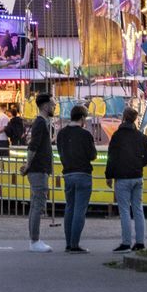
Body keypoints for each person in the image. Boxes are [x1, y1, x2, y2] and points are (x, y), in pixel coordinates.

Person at [105, 105, 147, 252]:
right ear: (134, 120)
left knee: (125, 211)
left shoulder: (117, 136)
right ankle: (140, 242)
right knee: (138, 209)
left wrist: (109, 176)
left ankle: (126, 243)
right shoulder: (141, 136)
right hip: (137, 177)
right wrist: (139, 164)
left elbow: (111, 157)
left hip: (122, 178)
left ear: (123, 118)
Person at [56, 103, 97, 253]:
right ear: (82, 118)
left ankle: (68, 243)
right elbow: (92, 155)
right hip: (83, 174)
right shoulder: (85, 134)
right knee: (80, 210)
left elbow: (60, 152)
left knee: (69, 208)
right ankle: (74, 244)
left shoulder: (61, 133)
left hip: (68, 173)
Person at [22, 92, 54, 251]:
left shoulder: (42, 122)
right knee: (38, 204)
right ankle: (35, 240)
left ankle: (34, 240)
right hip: (38, 168)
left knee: (36, 203)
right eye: (52, 104)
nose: (54, 106)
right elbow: (33, 145)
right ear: (45, 105)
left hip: (39, 168)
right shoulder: (40, 123)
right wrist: (29, 164)